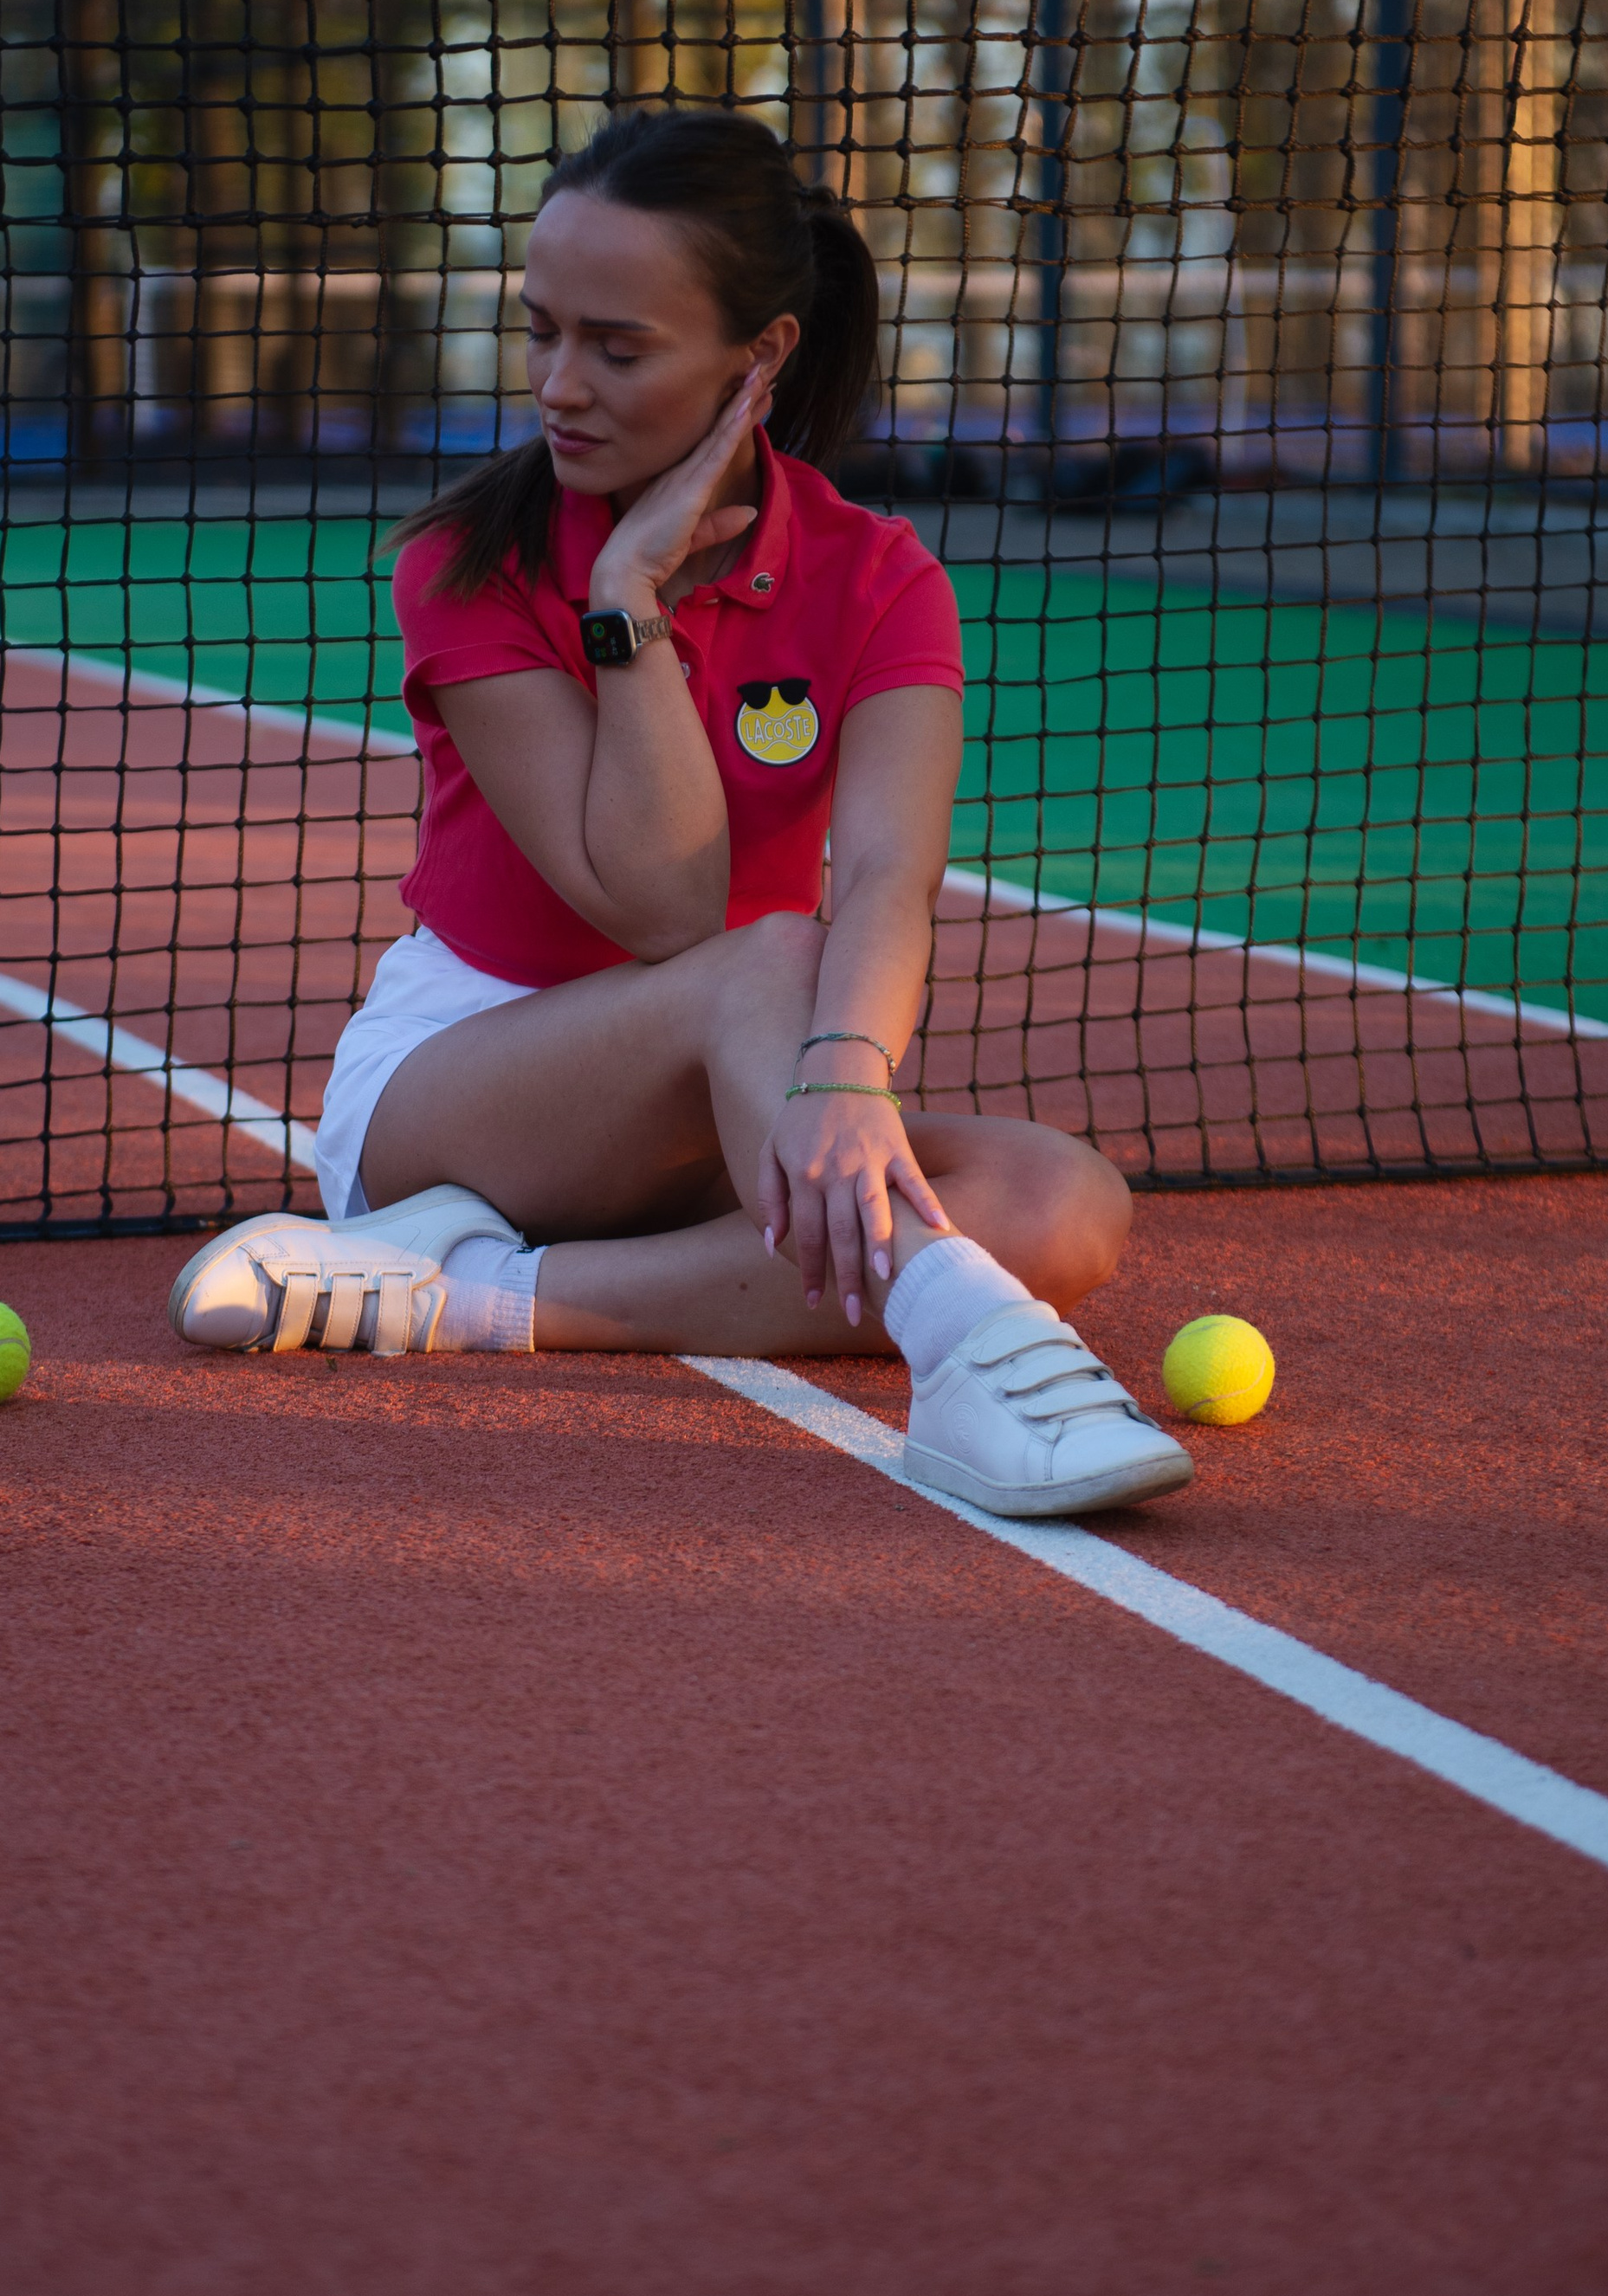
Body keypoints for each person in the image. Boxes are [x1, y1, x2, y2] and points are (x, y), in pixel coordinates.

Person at [171, 108, 1191, 1519]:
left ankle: (462, 1298)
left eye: (618, 346)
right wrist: (626, 607)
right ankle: (968, 1353)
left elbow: (892, 875)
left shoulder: (880, 579)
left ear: (758, 355)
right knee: (772, 951)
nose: (559, 385)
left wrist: (843, 1077)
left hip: (735, 1084)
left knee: (1064, 1203)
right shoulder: (468, 566)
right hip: (463, 1090)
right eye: (541, 334)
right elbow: (662, 912)